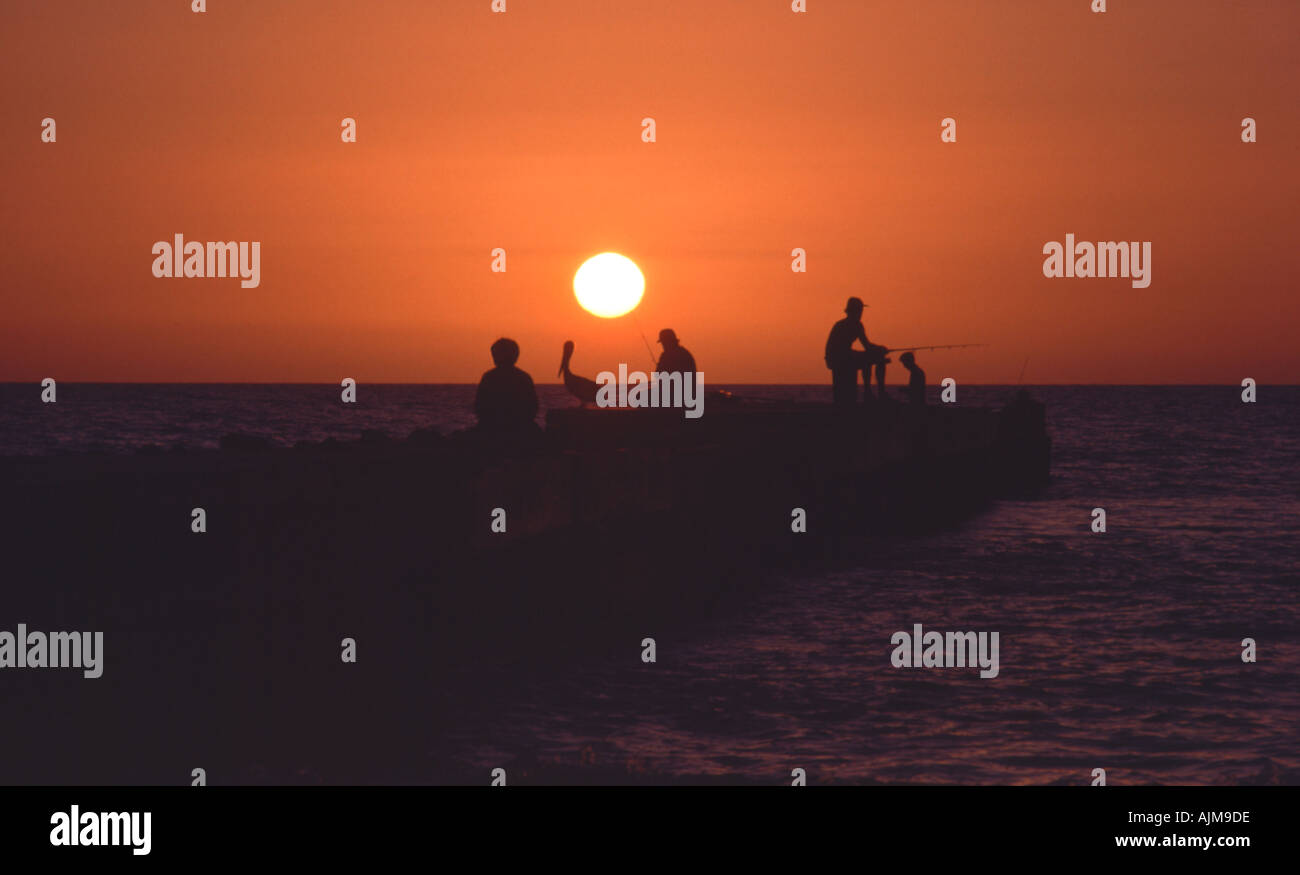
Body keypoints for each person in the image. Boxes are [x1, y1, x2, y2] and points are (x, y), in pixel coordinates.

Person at [824, 297, 889, 405]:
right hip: (837, 358)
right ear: (852, 311)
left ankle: (873, 392)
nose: (860, 313)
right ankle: (868, 393)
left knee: (873, 358)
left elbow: (867, 345)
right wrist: (878, 350)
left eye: (861, 311)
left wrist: (879, 349)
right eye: (859, 311)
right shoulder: (841, 325)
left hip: (845, 356)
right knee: (870, 359)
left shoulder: (858, 325)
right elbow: (835, 348)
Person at [474, 337, 539, 433]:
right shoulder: (524, 378)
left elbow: (480, 407)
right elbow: (533, 408)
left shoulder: (489, 378)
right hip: (522, 428)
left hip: (492, 429)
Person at [655, 329, 697, 406]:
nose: (663, 345)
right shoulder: (685, 353)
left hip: (673, 395)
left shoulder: (667, 355)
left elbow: (659, 375)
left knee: (640, 396)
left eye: (664, 342)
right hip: (689, 395)